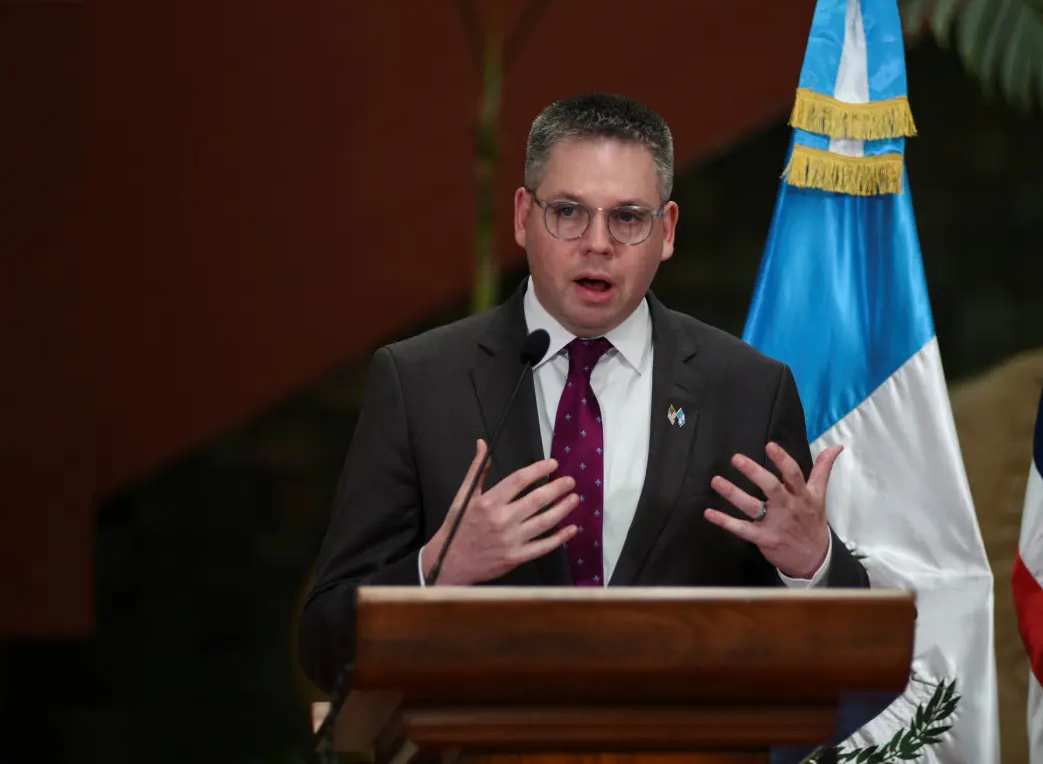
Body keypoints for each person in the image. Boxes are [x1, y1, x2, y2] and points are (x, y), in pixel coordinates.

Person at [298, 93, 869, 692]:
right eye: (568, 212)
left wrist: (811, 564)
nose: (597, 243)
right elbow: (324, 641)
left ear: (667, 231)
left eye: (627, 218)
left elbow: (841, 658)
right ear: (522, 216)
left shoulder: (748, 389)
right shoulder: (418, 382)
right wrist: (436, 572)